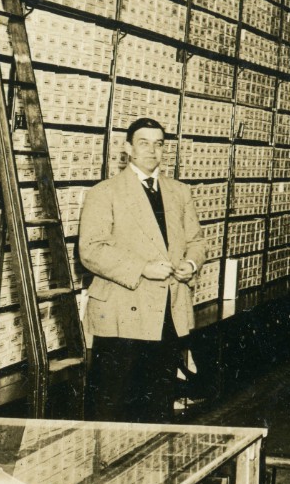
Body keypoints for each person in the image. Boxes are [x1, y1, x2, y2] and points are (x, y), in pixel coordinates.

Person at [78, 117, 199, 422]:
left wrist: (191, 263)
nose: (152, 150)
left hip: (166, 312)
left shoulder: (179, 192)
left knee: (158, 403)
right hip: (123, 311)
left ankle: (151, 468)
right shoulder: (104, 192)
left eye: (159, 144)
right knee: (113, 403)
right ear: (128, 147)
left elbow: (196, 240)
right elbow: (90, 251)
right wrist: (143, 268)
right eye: (144, 143)